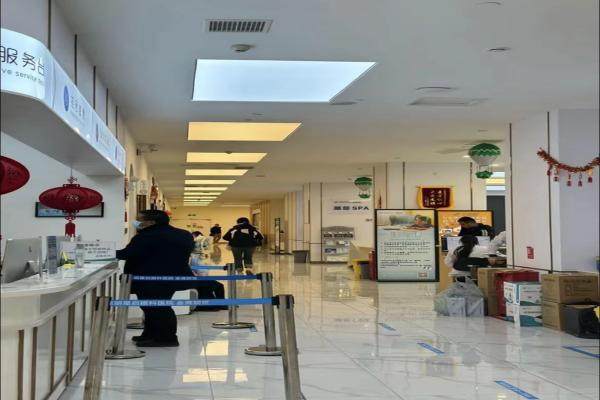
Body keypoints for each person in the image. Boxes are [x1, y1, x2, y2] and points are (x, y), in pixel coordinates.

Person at [117, 210, 194, 347]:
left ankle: (167, 338)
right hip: (173, 277)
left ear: (151, 222)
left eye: (140, 219)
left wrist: (104, 252)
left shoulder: (145, 236)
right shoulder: (184, 234)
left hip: (149, 279)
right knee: (155, 307)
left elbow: (127, 254)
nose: (137, 222)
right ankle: (150, 334)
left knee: (156, 308)